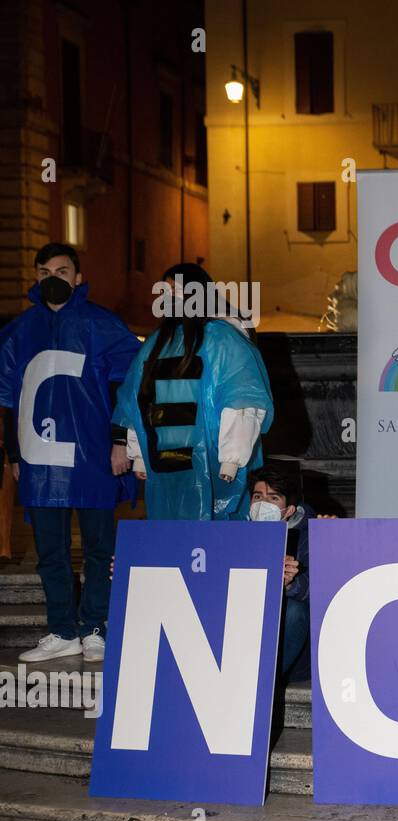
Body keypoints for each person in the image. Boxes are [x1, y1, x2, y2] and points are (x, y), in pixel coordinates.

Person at [0, 243, 141, 663]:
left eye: (62, 271)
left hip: (96, 453)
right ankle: (62, 629)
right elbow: (8, 397)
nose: (53, 279)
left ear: (78, 278)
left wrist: (121, 441)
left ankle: (95, 627)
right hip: (39, 457)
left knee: (100, 546)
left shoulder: (102, 324)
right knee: (51, 551)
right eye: (44, 272)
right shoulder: (19, 331)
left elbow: (126, 385)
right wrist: (12, 454)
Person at [113, 263, 273, 520]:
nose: (168, 296)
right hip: (168, 463)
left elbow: (242, 398)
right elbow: (138, 399)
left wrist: (233, 458)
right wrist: (141, 454)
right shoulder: (157, 342)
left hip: (213, 457)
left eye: (175, 289)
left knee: (219, 535)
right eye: (165, 290)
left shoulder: (222, 339)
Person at [246, 462, 320, 683]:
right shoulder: (236, 533)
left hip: (290, 652)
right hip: (245, 632)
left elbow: (319, 589)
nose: (263, 504)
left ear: (289, 510)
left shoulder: (308, 536)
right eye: (258, 497)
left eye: (273, 498)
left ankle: (262, 683)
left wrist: (290, 584)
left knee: (296, 611)